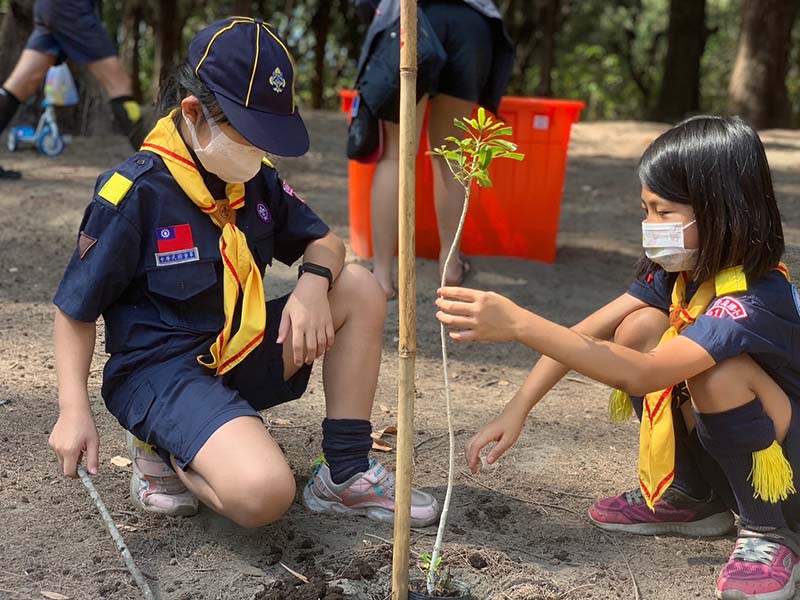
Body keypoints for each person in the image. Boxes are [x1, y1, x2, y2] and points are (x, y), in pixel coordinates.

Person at [48, 17, 439, 530]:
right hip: (160, 373)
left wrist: (311, 287)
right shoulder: (135, 193)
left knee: (359, 286)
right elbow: (74, 308)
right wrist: (72, 408)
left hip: (237, 348)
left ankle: (343, 473)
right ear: (194, 112)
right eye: (250, 135)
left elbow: (325, 241)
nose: (260, 151)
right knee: (264, 495)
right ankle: (164, 445)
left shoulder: (252, 177)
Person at [436, 116, 800, 600]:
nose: (649, 226)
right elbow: (588, 334)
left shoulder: (755, 297)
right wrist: (517, 407)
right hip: (743, 451)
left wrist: (519, 323)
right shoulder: (680, 274)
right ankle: (692, 495)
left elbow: (642, 375)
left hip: (789, 476)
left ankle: (767, 533)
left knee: (717, 374)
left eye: (663, 211)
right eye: (645, 209)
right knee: (640, 328)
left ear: (720, 210)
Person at [354, 0, 514, 299]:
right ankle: (450, 265)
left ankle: (383, 277)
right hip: (470, 24)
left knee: (395, 155)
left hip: (412, 17)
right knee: (451, 154)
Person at [0, 0, 146, 179]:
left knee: (20, 85)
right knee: (120, 85)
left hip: (49, 6)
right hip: (71, 7)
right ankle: (156, 166)